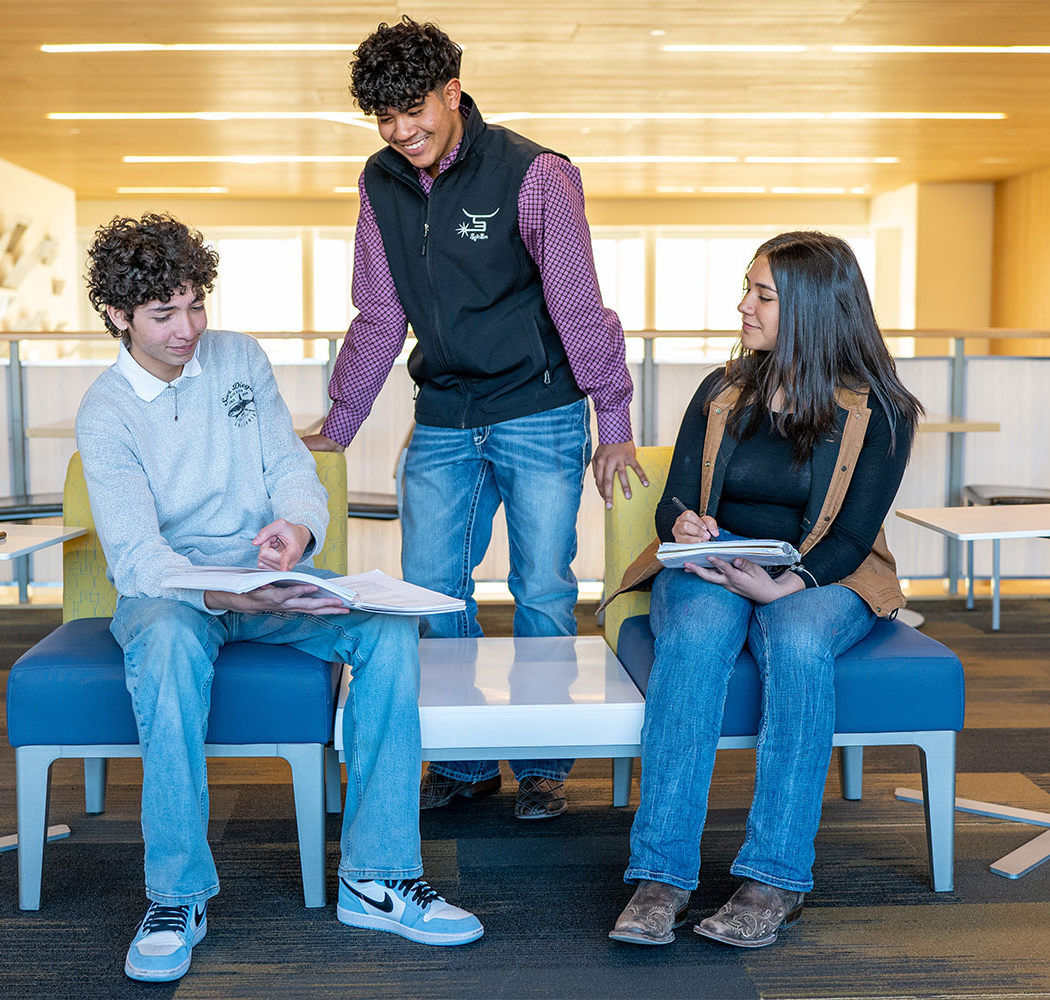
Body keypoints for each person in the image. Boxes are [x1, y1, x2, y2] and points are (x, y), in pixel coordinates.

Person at [75, 214, 483, 983]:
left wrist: (296, 529)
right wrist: (232, 597)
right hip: (175, 593)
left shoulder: (237, 358)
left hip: (267, 578)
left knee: (389, 630)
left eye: (195, 305)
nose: (187, 328)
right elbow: (136, 556)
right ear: (117, 316)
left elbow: (291, 467)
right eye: (164, 314)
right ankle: (176, 894)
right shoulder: (107, 413)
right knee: (162, 645)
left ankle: (378, 877)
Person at [301, 16, 647, 821]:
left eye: (413, 111)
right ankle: (458, 763)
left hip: (539, 408)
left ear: (452, 92)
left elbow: (577, 306)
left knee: (541, 587)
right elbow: (380, 312)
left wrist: (614, 419)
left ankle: (542, 763)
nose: (400, 132)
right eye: (383, 119)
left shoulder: (534, 175)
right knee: (429, 589)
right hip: (447, 414)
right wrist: (341, 420)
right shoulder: (379, 180)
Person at [605, 231, 922, 949]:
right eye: (747, 289)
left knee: (800, 635)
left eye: (763, 295)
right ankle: (661, 875)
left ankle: (775, 878)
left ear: (811, 309)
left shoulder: (882, 409)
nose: (743, 306)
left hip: (825, 570)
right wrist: (682, 522)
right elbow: (672, 501)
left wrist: (787, 587)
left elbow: (850, 537)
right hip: (717, 564)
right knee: (696, 632)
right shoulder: (722, 389)